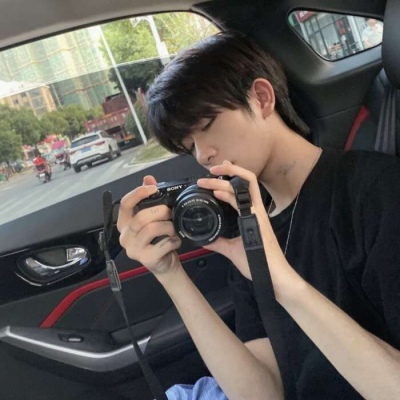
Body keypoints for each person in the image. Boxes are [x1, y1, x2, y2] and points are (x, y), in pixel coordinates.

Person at [117, 31, 400, 399]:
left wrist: (283, 283)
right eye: (189, 147)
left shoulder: (374, 190)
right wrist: (170, 275)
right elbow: (261, 394)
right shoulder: (246, 227)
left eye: (206, 126)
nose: (202, 155)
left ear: (262, 98)